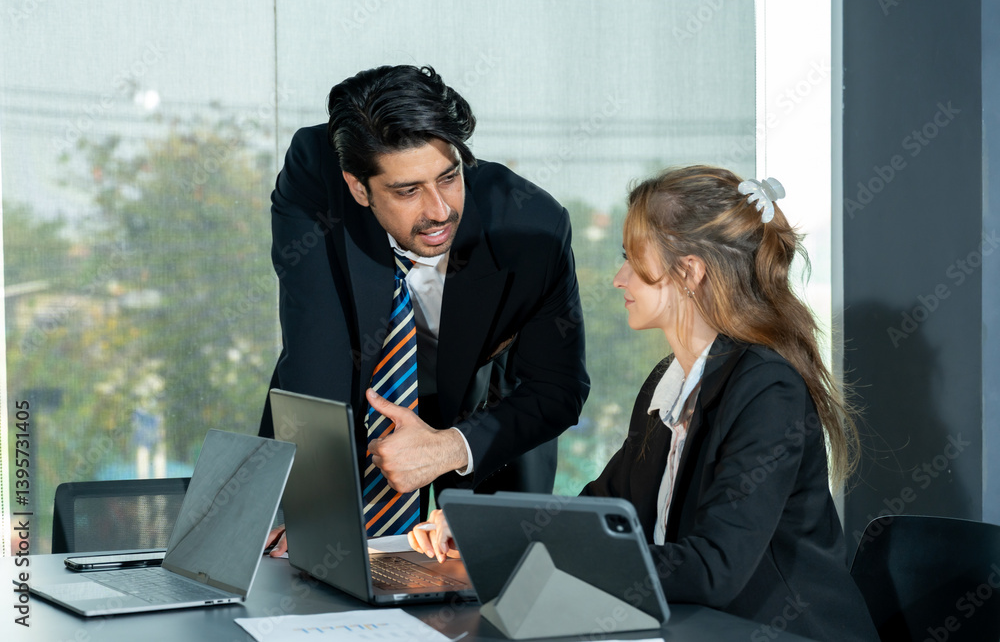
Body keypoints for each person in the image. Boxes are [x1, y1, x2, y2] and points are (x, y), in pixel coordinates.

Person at [409, 166, 878, 641]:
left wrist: (521, 546)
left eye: (633, 260)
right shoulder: (670, 381)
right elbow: (601, 511)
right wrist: (486, 532)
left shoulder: (767, 388)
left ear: (689, 271)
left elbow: (713, 568)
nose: (618, 278)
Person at [260, 65, 589, 550]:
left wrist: (453, 446)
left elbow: (557, 386)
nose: (439, 210)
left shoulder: (532, 227)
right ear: (358, 188)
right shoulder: (318, 173)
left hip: (489, 421)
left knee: (483, 594)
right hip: (348, 406)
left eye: (449, 177)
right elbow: (318, 347)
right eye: (407, 191)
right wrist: (309, 501)